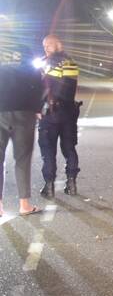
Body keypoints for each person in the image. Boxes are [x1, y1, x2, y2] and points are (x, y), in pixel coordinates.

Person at [0, 45, 43, 216]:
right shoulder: (27, 55)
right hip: (24, 113)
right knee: (22, 159)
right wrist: (38, 108)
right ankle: (24, 205)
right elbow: (37, 85)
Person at [38, 34, 81, 198]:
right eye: (44, 45)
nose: (46, 48)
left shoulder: (47, 64)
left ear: (58, 45)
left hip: (50, 113)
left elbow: (42, 87)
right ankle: (71, 183)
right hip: (69, 112)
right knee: (69, 148)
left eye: (48, 45)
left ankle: (49, 186)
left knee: (48, 149)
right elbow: (70, 87)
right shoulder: (71, 62)